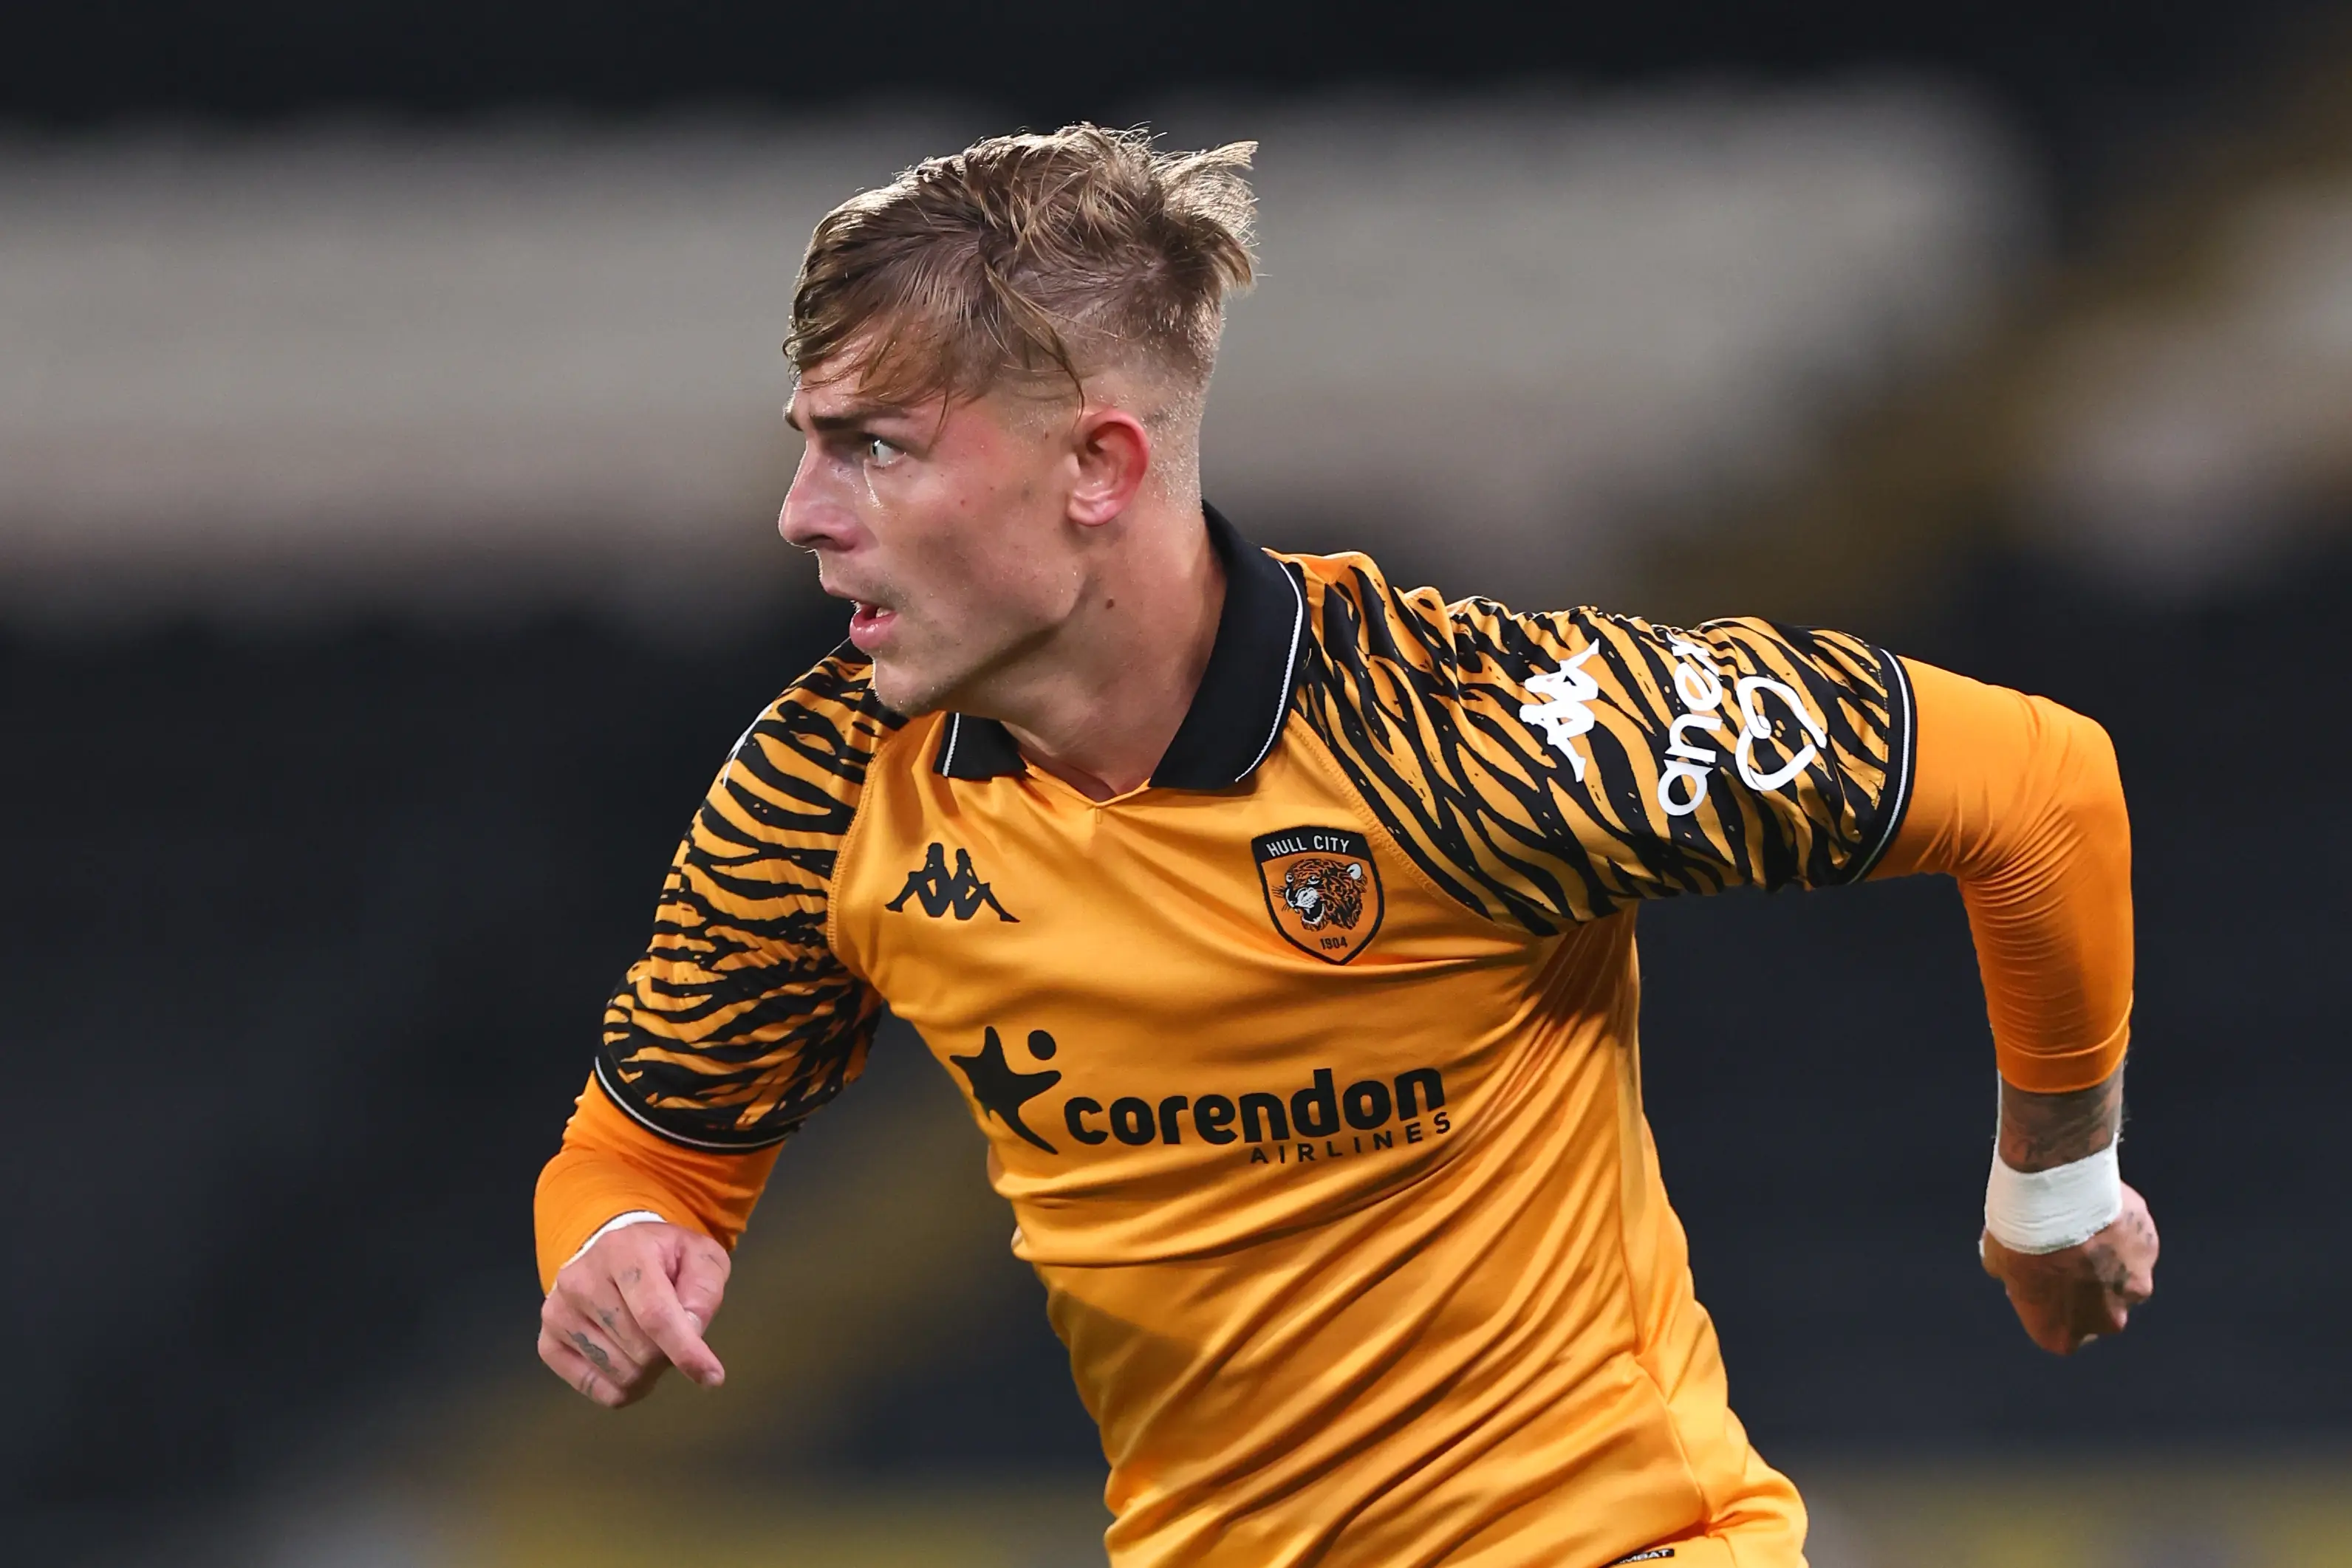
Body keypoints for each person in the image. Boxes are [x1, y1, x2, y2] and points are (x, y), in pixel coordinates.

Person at [533, 125, 2156, 1568]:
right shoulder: (826, 785)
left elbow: (2039, 787)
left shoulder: (1465, 732)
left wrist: (2055, 1185)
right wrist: (615, 1240)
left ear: (1097, 465)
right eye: (811, 441)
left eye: (873, 445)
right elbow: (646, 1147)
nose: (802, 512)